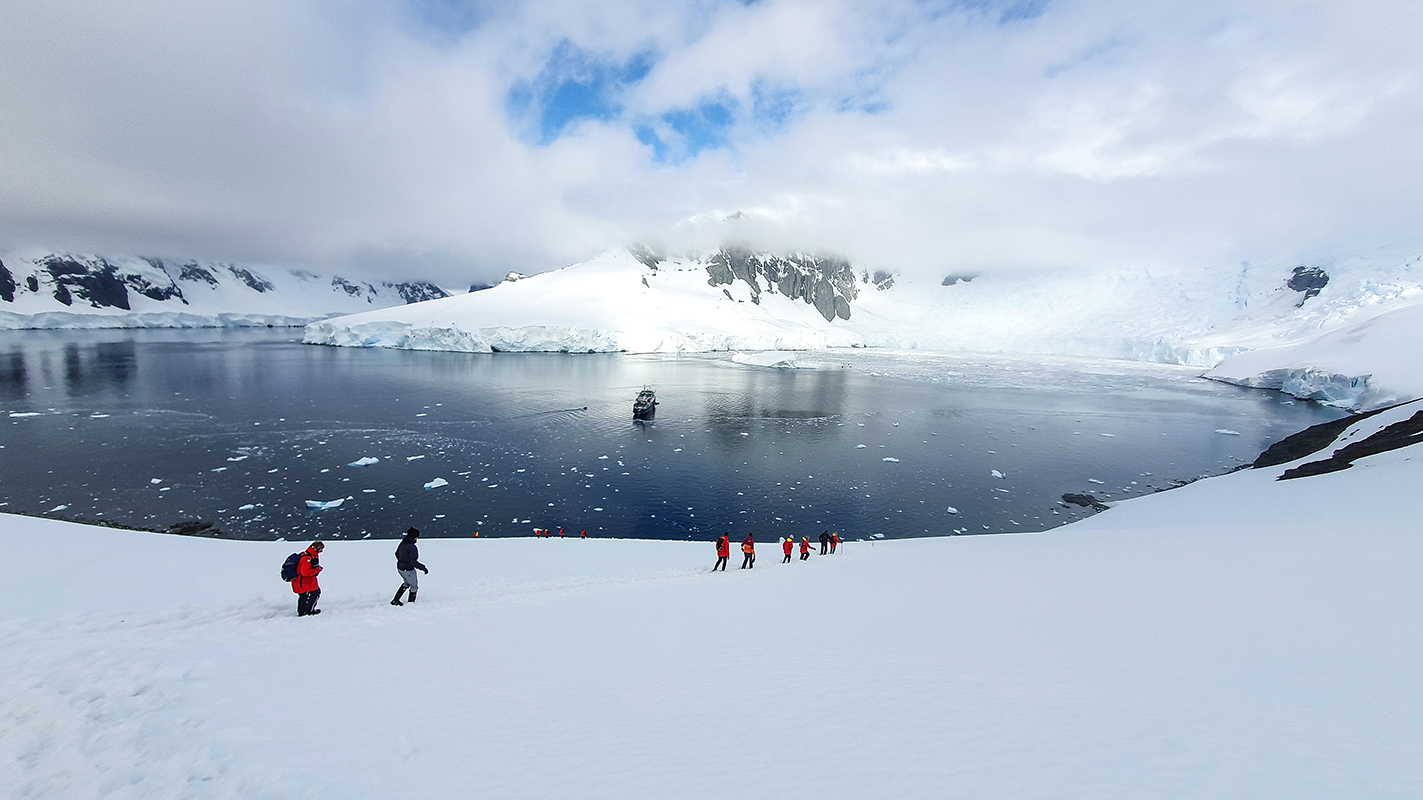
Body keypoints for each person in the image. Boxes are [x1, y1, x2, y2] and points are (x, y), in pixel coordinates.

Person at [391, 527, 429, 606]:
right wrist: (423, 568)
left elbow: (396, 553)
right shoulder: (412, 547)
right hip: (408, 570)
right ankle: (410, 604)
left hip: (400, 568)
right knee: (414, 587)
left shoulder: (403, 543)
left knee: (406, 583)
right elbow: (413, 562)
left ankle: (395, 600)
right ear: (414, 537)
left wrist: (402, 561)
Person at [293, 540, 324, 616]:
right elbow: (305, 572)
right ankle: (309, 611)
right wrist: (317, 570)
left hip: (299, 581)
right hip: (305, 581)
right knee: (316, 593)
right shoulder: (307, 558)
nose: (321, 551)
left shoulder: (305, 554)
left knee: (303, 596)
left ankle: (302, 611)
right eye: (321, 549)